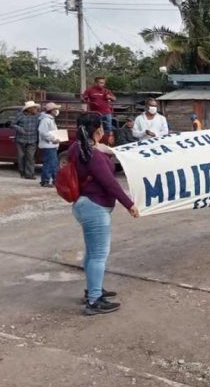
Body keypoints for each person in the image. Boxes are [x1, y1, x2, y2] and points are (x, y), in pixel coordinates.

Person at [69, 114, 139, 315]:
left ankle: (93, 289)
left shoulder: (78, 148)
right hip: (95, 207)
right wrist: (129, 204)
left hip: (84, 204)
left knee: (92, 252)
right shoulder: (94, 155)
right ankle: (94, 300)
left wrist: (106, 149)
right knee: (99, 255)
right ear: (98, 131)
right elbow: (110, 183)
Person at [82, 77, 117, 145]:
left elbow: (114, 98)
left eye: (103, 83)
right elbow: (83, 98)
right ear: (96, 83)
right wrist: (84, 99)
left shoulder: (106, 91)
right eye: (101, 83)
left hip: (107, 113)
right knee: (95, 129)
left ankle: (107, 142)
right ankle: (95, 142)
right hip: (95, 114)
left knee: (108, 128)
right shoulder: (89, 90)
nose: (102, 84)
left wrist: (110, 97)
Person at [14, 101, 40, 180]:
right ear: (29, 109)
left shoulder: (38, 116)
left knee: (30, 157)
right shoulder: (20, 115)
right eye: (34, 108)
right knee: (21, 156)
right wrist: (19, 128)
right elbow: (13, 124)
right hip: (20, 139)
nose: (36, 109)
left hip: (32, 140)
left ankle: (30, 174)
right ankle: (22, 172)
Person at [37, 102, 62, 187]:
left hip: (51, 145)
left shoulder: (49, 119)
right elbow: (43, 132)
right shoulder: (46, 120)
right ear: (51, 110)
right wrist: (53, 139)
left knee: (52, 163)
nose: (57, 111)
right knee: (49, 163)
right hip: (48, 145)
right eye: (55, 109)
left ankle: (51, 180)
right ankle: (46, 181)